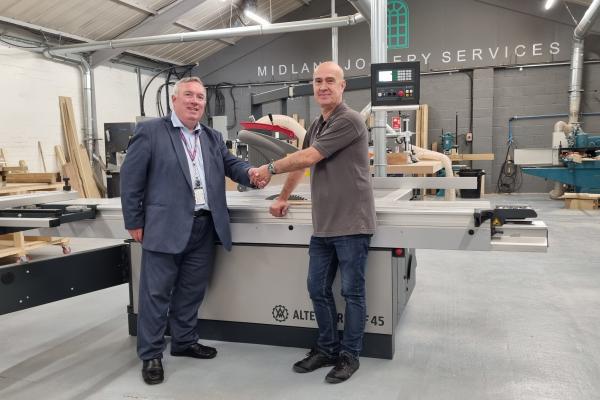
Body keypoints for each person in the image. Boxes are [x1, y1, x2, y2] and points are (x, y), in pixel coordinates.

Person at [120, 76, 268, 385]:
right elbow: (130, 181)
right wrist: (133, 221)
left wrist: (251, 173)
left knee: (191, 290)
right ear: (174, 100)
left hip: (204, 225)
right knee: (155, 294)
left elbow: (232, 165)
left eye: (200, 97)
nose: (195, 101)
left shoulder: (211, 137)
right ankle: (151, 355)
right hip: (165, 227)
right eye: (188, 95)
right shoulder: (151, 132)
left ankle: (185, 341)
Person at [254, 61, 376, 383]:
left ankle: (349, 356)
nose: (323, 86)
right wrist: (283, 197)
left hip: (352, 225)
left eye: (329, 81)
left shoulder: (348, 120)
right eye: (318, 81)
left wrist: (268, 169)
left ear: (342, 86)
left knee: (352, 293)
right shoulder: (317, 125)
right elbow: (301, 165)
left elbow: (309, 157)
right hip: (324, 226)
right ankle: (326, 348)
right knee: (317, 288)